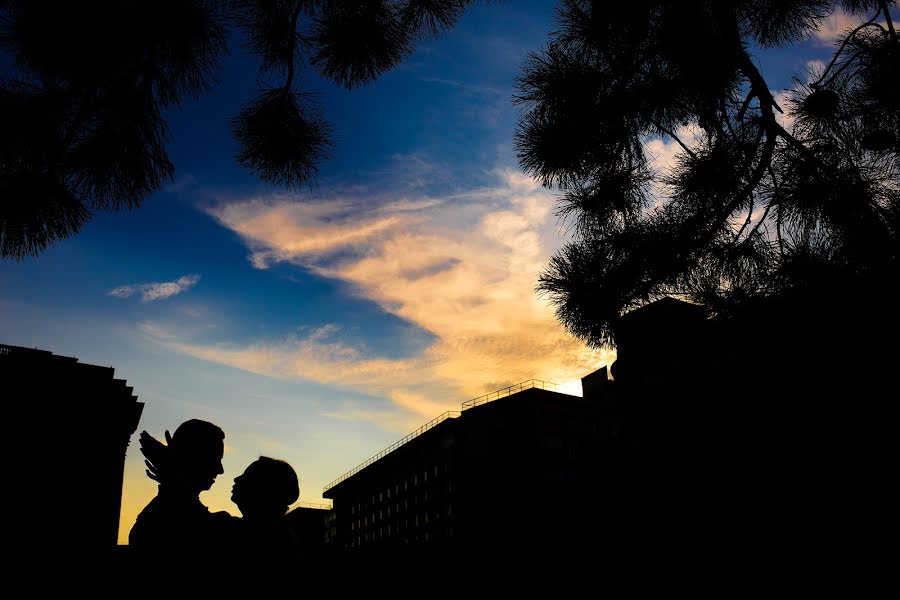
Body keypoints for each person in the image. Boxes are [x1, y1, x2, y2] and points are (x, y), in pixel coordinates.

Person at [128, 419, 227, 557]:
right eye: (215, 459)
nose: (220, 470)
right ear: (193, 458)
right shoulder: (167, 520)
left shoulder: (158, 515)